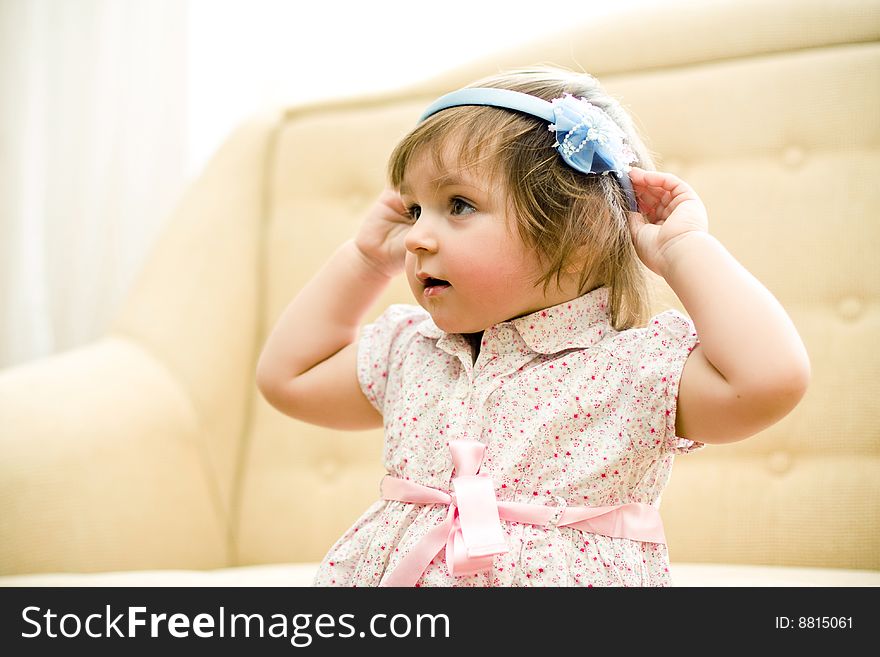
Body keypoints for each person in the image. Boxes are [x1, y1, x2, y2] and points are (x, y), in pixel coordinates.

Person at [255, 67, 811, 587]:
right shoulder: (415, 351)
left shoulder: (630, 371)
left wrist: (684, 248)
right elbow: (289, 378)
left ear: (581, 228)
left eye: (459, 205)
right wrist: (363, 259)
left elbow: (769, 380)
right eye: (414, 209)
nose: (416, 238)